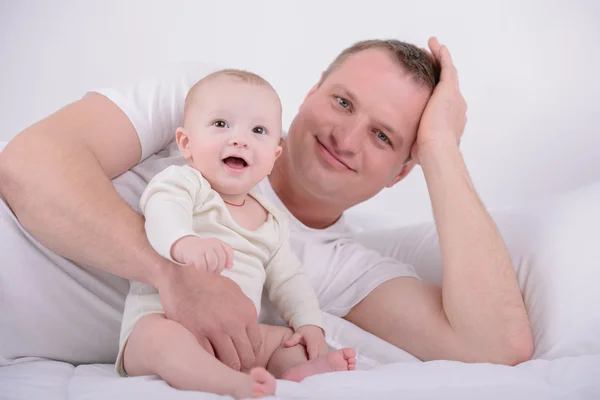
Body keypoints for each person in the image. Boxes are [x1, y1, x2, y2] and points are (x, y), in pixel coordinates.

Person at [0, 37, 533, 373]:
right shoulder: (212, 100)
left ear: (401, 173)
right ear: (308, 96)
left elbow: (496, 345)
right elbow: (26, 164)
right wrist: (173, 277)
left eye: (383, 137)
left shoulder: (343, 267)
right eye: (342, 102)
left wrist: (441, 148)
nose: (345, 138)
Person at [119, 69, 355, 398]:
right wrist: (184, 243)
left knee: (281, 341)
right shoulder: (185, 183)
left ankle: (297, 369)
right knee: (161, 341)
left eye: (258, 130)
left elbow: (289, 279)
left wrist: (308, 324)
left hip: (237, 337)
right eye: (221, 124)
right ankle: (226, 383)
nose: (240, 139)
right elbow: (162, 211)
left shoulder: (271, 221)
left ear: (274, 156)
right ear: (186, 143)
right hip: (163, 317)